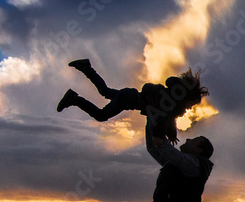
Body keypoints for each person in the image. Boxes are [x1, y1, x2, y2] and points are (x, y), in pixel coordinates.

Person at [57, 59, 209, 143]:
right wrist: (158, 136)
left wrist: (172, 135)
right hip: (128, 99)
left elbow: (169, 120)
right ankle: (74, 99)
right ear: (186, 97)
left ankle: (86, 67)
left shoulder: (171, 99)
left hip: (129, 96)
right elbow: (163, 118)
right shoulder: (171, 101)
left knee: (105, 91)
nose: (191, 108)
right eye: (192, 104)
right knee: (101, 115)